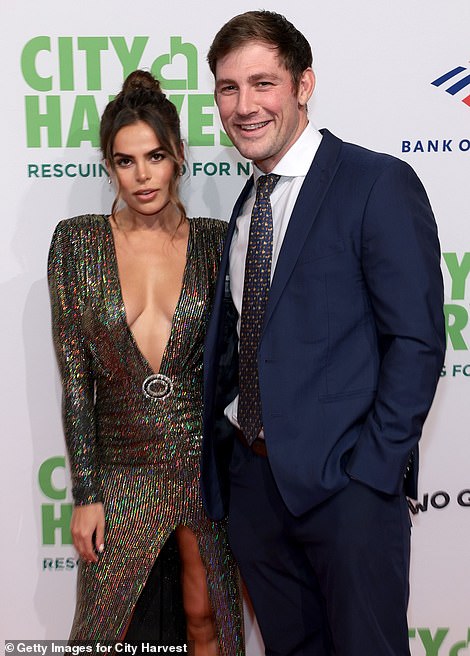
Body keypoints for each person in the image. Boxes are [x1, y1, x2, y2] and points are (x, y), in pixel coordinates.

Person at [201, 10, 445, 656]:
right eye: (228, 88)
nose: (244, 105)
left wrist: (371, 474)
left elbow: (416, 340)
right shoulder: (248, 204)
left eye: (262, 83)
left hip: (347, 492)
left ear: (303, 85)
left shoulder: (374, 182)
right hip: (256, 492)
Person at [48, 69, 244, 655]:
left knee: (206, 616)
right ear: (108, 165)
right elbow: (76, 379)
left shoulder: (216, 241)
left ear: (179, 155)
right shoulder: (77, 243)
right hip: (119, 470)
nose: (142, 175)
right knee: (103, 634)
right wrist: (86, 492)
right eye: (125, 160)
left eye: (155, 156)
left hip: (199, 466)